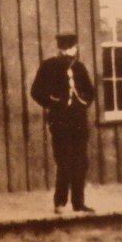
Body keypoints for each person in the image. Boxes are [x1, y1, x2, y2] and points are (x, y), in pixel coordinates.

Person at [30, 33, 96, 214]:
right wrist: (55, 102)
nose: (69, 51)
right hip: (60, 121)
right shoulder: (48, 66)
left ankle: (78, 203)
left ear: (75, 48)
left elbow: (90, 92)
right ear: (60, 49)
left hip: (79, 121)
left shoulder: (80, 68)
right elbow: (36, 91)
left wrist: (82, 102)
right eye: (65, 48)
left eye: (71, 48)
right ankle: (60, 202)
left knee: (81, 162)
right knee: (64, 161)